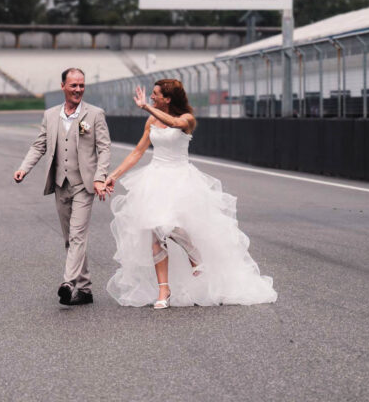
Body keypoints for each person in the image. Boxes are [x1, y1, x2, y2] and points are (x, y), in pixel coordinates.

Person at [104, 79, 277, 309]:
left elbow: (174, 123)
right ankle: (163, 290)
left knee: (168, 224)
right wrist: (113, 175)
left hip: (180, 178)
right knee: (155, 231)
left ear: (168, 99)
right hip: (155, 177)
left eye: (156, 94)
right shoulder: (152, 119)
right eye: (152, 95)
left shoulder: (187, 119)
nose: (152, 97)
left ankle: (194, 253)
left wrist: (147, 106)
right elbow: (137, 152)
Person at [14, 68, 111, 306]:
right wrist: (24, 168)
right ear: (63, 86)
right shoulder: (50, 115)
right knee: (70, 239)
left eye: (81, 85)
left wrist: (100, 177)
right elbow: (39, 146)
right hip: (60, 184)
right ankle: (85, 289)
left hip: (84, 185)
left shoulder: (95, 114)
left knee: (78, 236)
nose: (78, 90)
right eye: (73, 85)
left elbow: (105, 148)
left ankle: (68, 283)